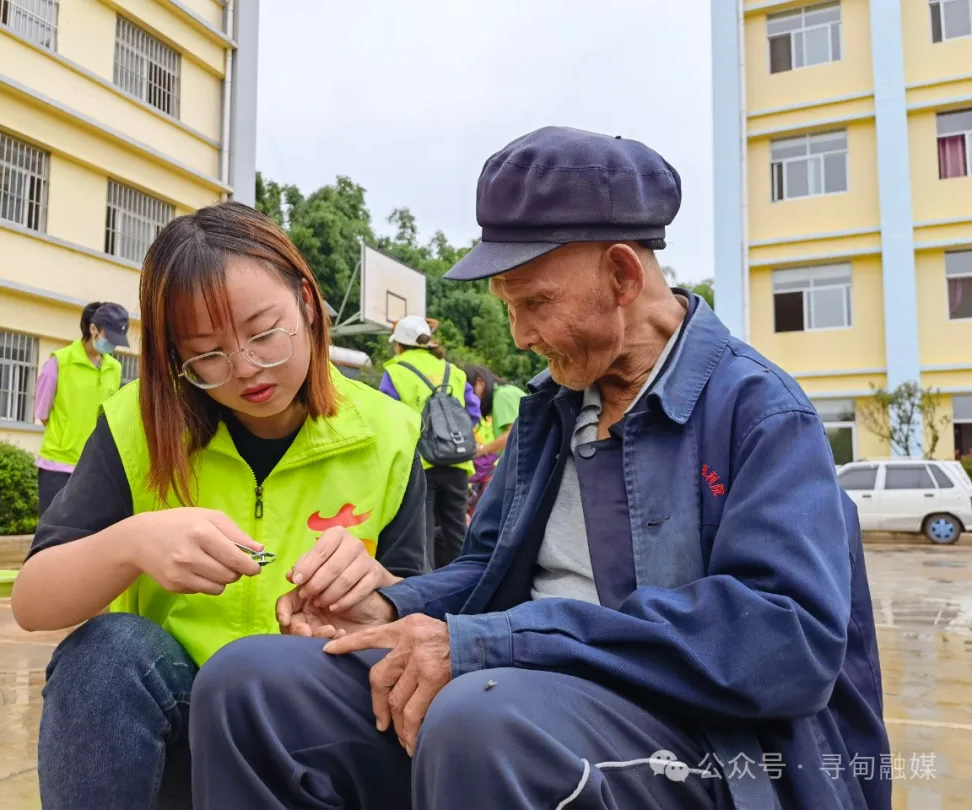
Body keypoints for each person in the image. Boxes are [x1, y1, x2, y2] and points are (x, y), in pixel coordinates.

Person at [188, 128, 890, 810]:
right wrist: (388, 606)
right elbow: (488, 572)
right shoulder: (550, 412)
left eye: (535, 303)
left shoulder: (759, 411)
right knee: (249, 682)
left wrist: (500, 643)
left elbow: (787, 643)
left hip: (707, 740)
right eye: (510, 308)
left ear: (621, 275)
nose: (520, 335)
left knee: (479, 719)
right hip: (524, 696)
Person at [10, 202, 427, 810]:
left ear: (307, 304)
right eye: (207, 353)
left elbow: (424, 607)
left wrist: (380, 595)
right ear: (174, 354)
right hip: (182, 712)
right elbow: (32, 602)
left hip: (316, 707)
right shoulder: (136, 426)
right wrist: (132, 542)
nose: (246, 369)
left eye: (264, 333)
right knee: (105, 654)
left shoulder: (390, 433)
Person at [379, 316, 481, 568]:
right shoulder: (453, 372)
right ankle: (468, 588)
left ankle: (427, 594)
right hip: (458, 462)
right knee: (457, 529)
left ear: (399, 345)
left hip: (420, 464)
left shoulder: (396, 371)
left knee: (421, 535)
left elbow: (385, 418)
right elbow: (474, 414)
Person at [34, 301, 130, 516]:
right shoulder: (59, 362)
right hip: (58, 466)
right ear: (93, 328)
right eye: (110, 337)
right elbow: (42, 413)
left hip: (95, 468)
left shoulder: (114, 368)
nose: (113, 345)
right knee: (52, 539)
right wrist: (67, 436)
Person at [464, 364, 525, 513]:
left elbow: (512, 435)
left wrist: (481, 450)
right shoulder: (503, 395)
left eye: (469, 391)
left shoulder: (502, 395)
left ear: (480, 382)